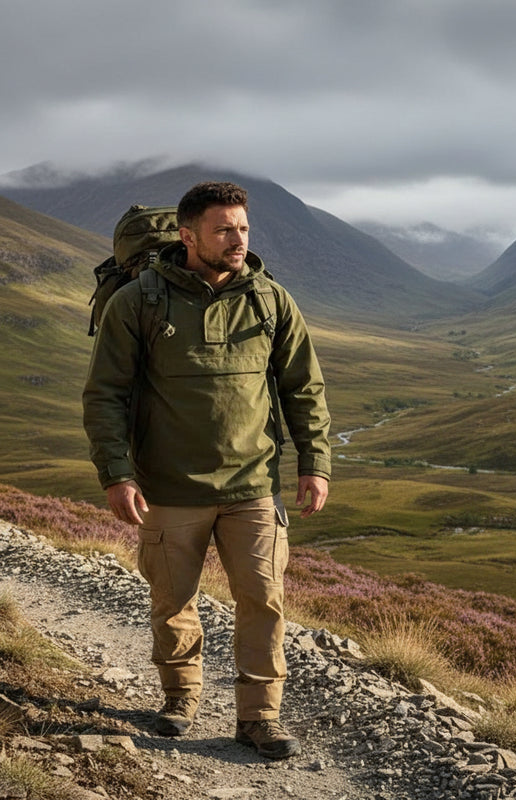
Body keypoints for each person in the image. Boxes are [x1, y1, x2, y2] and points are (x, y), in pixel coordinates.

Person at [82, 181, 331, 760]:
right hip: (167, 488)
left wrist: (313, 463)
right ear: (188, 236)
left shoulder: (271, 301)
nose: (237, 239)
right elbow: (105, 395)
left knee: (264, 600)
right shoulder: (137, 303)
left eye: (243, 228)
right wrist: (117, 474)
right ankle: (179, 699)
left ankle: (260, 718)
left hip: (252, 486)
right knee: (172, 600)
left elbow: (304, 389)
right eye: (224, 229)